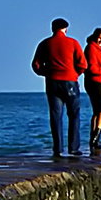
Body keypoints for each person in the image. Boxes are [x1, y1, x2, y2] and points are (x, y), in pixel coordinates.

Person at [31, 18, 87, 157]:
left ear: (52, 28)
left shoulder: (45, 43)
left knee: (56, 116)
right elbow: (83, 64)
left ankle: (58, 148)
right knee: (74, 115)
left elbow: (36, 65)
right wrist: (74, 74)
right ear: (66, 29)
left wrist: (47, 73)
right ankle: (73, 148)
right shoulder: (73, 43)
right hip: (70, 82)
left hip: (52, 82)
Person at [83, 28, 101, 153]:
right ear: (95, 37)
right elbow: (93, 67)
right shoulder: (91, 49)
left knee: (96, 112)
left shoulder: (98, 49)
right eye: (100, 38)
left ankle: (93, 139)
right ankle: (95, 138)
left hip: (97, 81)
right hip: (95, 81)